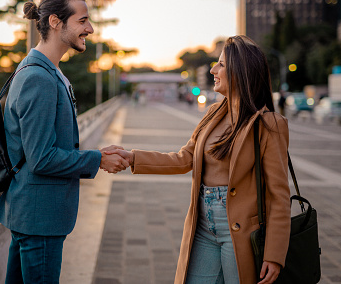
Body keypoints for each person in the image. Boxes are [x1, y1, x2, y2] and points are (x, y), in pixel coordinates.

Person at [107, 35, 291, 284]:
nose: (214, 69)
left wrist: (274, 254)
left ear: (242, 72)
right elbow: (184, 159)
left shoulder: (269, 124)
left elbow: (278, 194)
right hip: (203, 224)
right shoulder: (214, 113)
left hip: (241, 230)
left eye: (222, 65)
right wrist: (132, 157)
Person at [0, 0, 129, 284]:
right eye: (82, 21)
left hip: (33, 214)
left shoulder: (44, 71)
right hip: (40, 218)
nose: (89, 29)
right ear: (55, 22)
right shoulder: (38, 77)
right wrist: (97, 160)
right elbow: (41, 158)